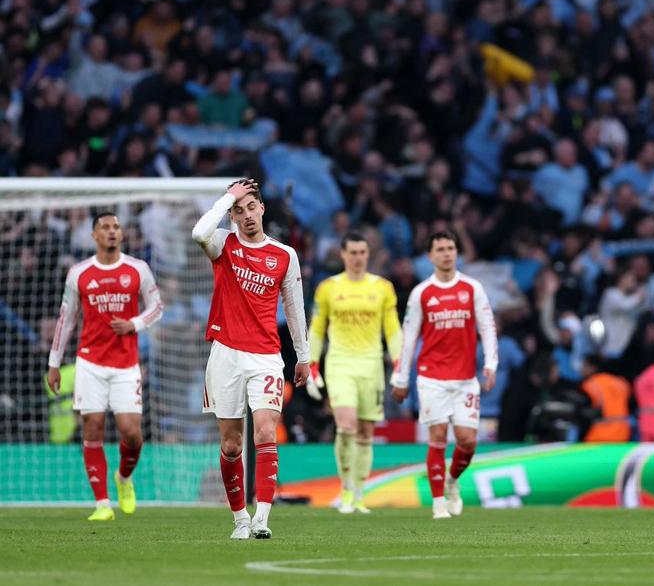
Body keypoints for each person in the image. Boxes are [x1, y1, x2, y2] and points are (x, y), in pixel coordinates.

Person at [191, 178, 309, 540]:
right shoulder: (223, 243)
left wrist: (303, 355)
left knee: (265, 431)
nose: (246, 216)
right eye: (238, 211)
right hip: (225, 353)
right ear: (232, 215)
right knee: (231, 444)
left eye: (251, 207)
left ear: (262, 208)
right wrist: (227, 198)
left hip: (266, 356)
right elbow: (198, 233)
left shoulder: (284, 255)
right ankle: (240, 518)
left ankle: (262, 518)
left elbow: (294, 308)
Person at [47, 212, 163, 521]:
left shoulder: (138, 269)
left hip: (126, 363)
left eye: (116, 227)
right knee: (93, 425)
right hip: (90, 362)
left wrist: (134, 324)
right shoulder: (79, 273)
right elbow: (66, 319)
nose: (112, 231)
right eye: (105, 227)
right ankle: (102, 504)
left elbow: (157, 307)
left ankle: (123, 478)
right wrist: (54, 363)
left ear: (121, 234)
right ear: (94, 235)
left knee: (131, 433)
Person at [391, 231, 498, 519]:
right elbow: (409, 337)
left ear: (457, 252)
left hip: (465, 380)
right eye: (440, 249)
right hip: (432, 377)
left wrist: (491, 364)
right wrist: (401, 379)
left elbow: (487, 327)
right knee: (437, 435)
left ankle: (452, 480)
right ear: (430, 256)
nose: (446, 253)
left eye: (451, 248)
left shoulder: (472, 288)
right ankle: (438, 502)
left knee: (467, 441)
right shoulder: (421, 293)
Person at [306, 231, 402, 514]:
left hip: (371, 365)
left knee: (365, 432)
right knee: (346, 425)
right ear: (343, 254)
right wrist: (312, 365)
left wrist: (399, 364)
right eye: (353, 253)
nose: (358, 258)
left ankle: (359, 493)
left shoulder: (383, 287)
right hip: (340, 363)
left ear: (368, 254)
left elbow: (392, 330)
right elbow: (317, 329)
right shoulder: (328, 288)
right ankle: (346, 489)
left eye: (362, 252)